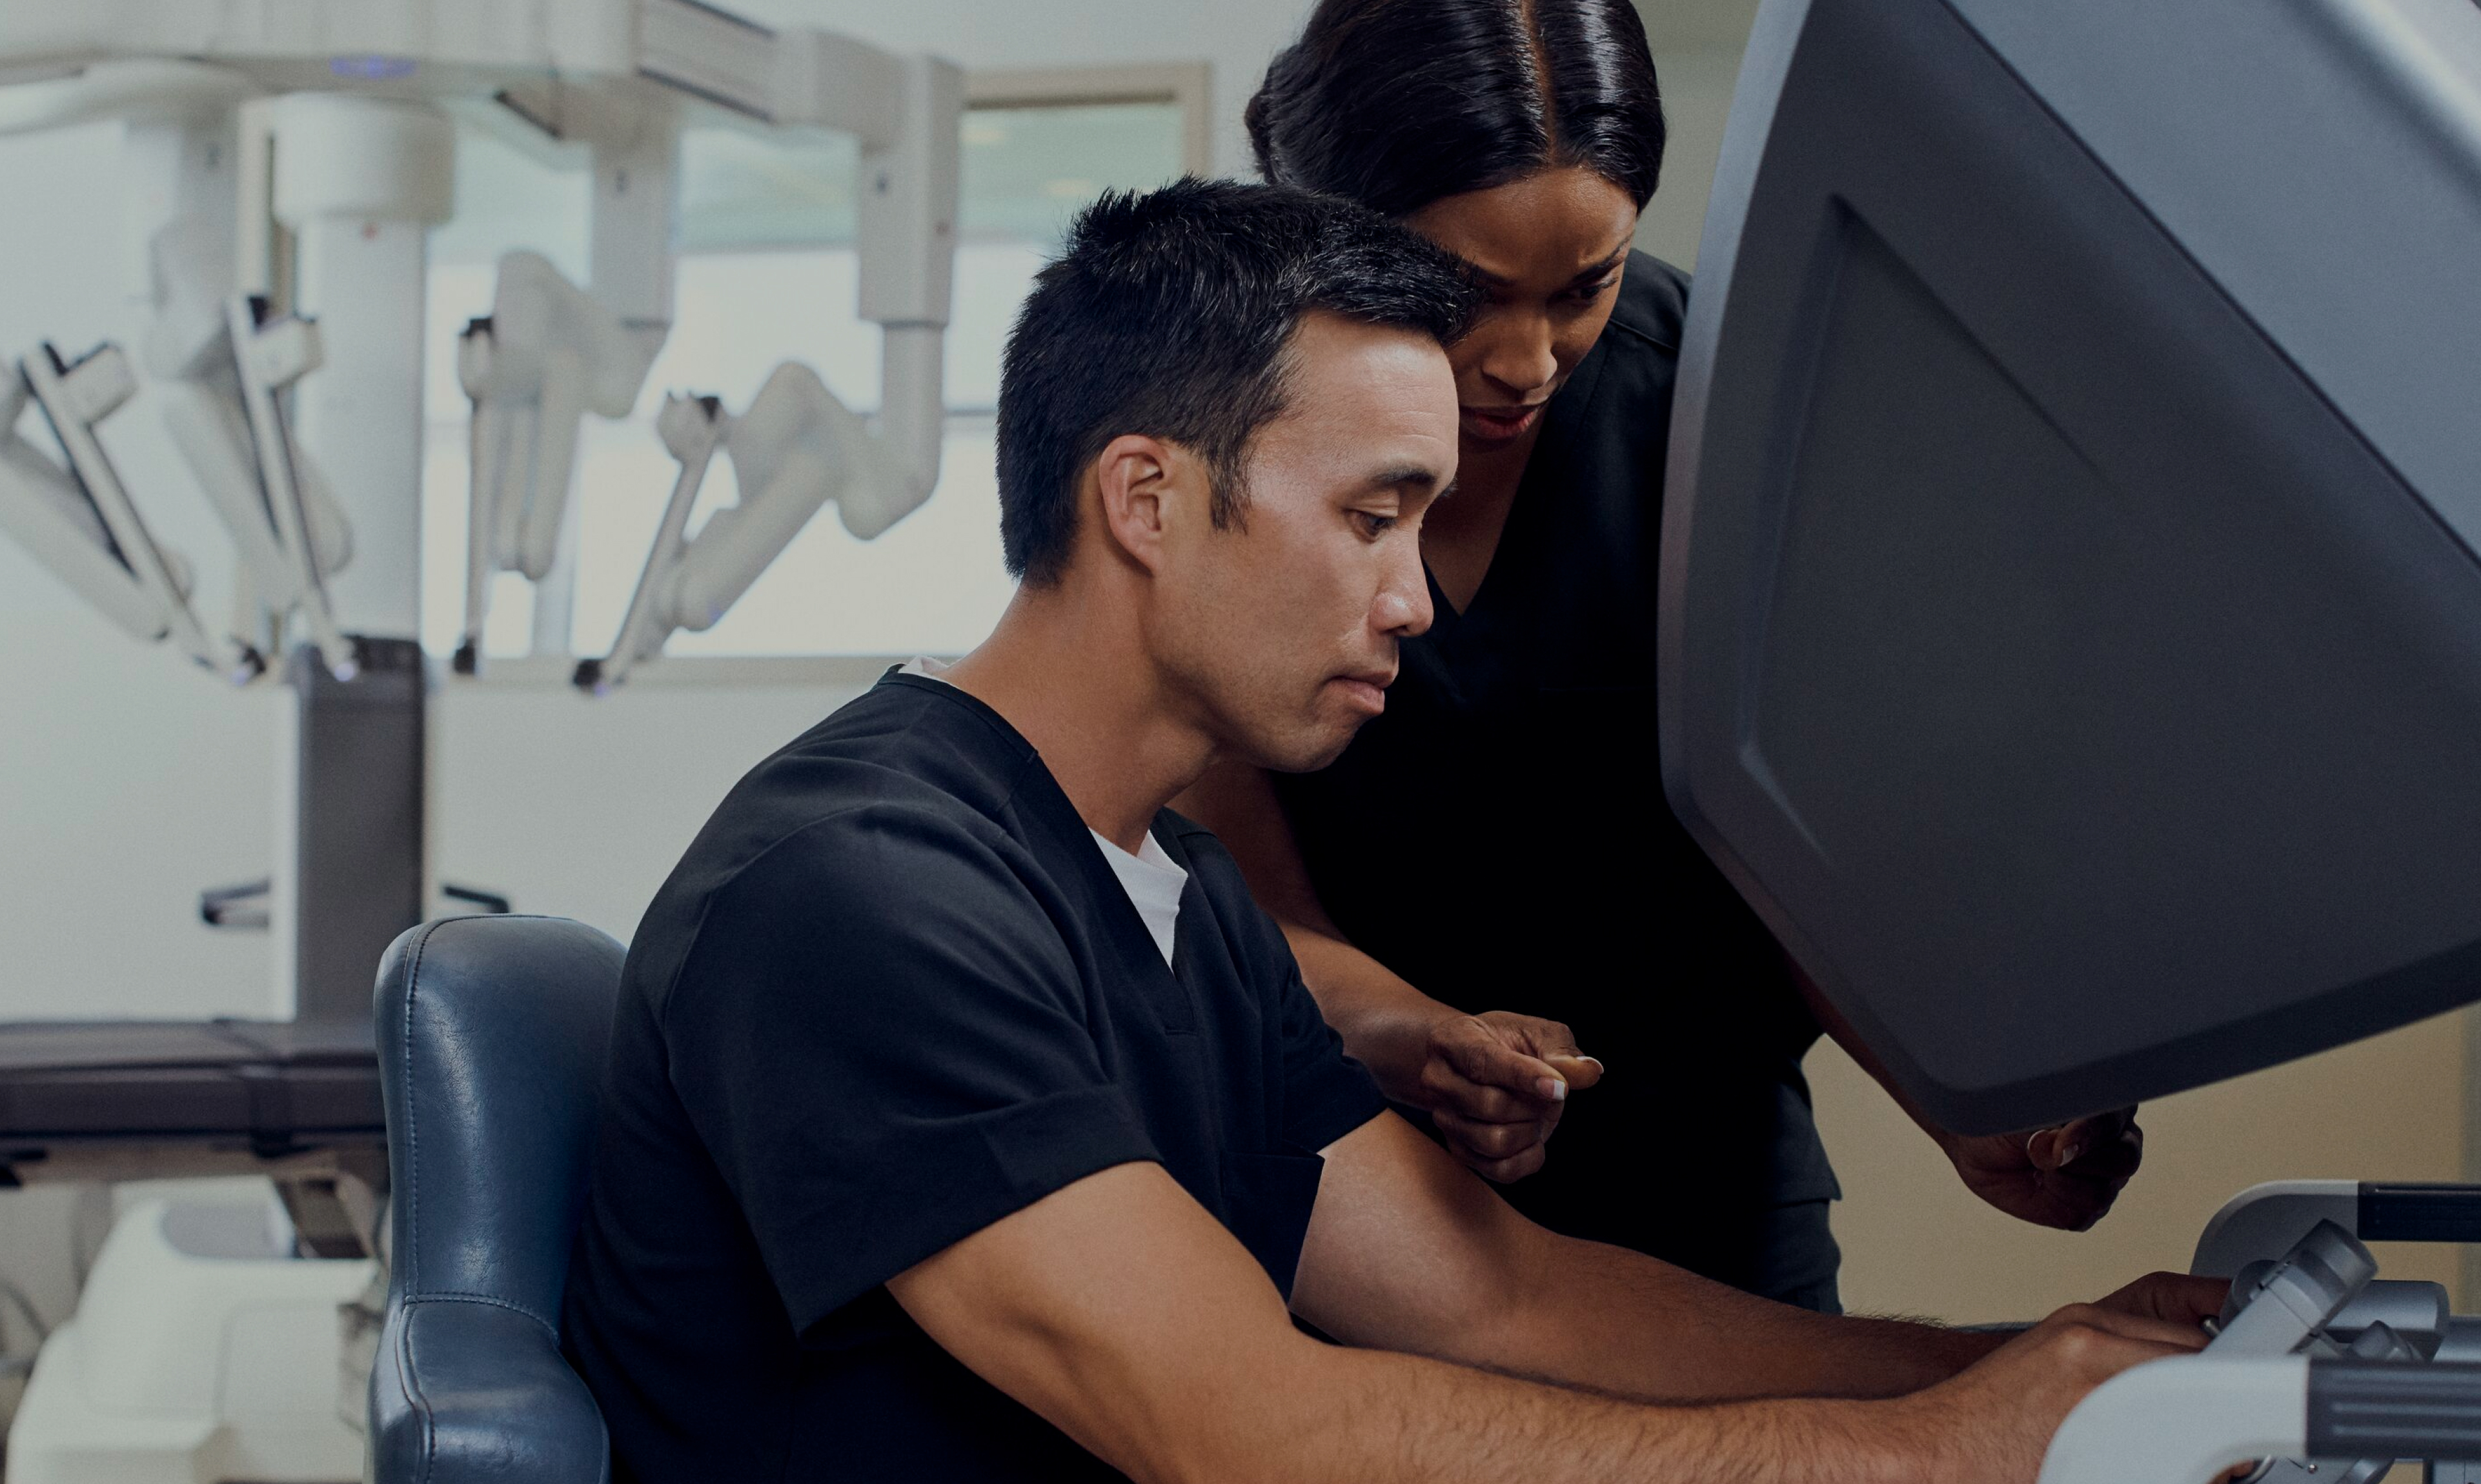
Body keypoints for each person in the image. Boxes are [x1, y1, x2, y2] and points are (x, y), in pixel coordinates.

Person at [560, 177, 2216, 1484]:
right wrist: (1938, 1458)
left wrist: (2016, 1368)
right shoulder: (862, 897)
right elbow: (1249, 1434)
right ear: (1146, 500)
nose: (1415, 600)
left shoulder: (1176, 896)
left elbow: (1501, 1296)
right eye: (1369, 516)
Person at [1175, 0, 2143, 1312]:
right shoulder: (1217, 433)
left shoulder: (1730, 403)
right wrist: (1420, 1038)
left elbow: (1802, 847)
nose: (1527, 362)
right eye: (1462, 294)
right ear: (1323, 223)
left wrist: (1958, 1097)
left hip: (1708, 1179)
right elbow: (1230, 890)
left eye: (1585, 286)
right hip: (1355, 1176)